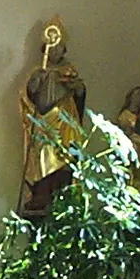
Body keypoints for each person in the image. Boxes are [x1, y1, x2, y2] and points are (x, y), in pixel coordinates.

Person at [19, 19, 87, 218]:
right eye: (52, 47)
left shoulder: (69, 69)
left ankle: (62, 191)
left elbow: (80, 93)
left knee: (64, 156)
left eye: (59, 48)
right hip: (42, 121)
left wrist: (77, 88)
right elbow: (27, 96)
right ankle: (41, 192)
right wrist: (35, 83)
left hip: (64, 118)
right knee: (40, 156)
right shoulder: (37, 71)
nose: (55, 51)